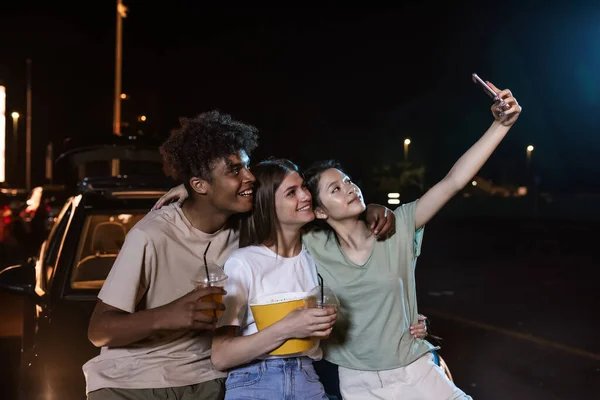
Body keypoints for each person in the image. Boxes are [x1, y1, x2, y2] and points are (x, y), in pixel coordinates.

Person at [300, 81, 521, 399]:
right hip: (357, 381)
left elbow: (453, 181)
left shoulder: (399, 226)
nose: (349, 188)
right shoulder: (312, 246)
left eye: (348, 181)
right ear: (319, 211)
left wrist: (501, 126)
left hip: (413, 369)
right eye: (335, 189)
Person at [83, 110, 260, 400]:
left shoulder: (247, 229)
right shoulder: (151, 234)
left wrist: (366, 211)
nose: (250, 177)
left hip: (208, 377)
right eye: (234, 170)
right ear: (199, 185)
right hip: (133, 380)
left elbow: (290, 186)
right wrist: (167, 315)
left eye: (247, 166)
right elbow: (99, 330)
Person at [210, 158, 336, 399]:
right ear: (268, 205)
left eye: (304, 187)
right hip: (254, 379)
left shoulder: (316, 255)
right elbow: (220, 356)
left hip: (307, 376)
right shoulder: (244, 262)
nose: (305, 196)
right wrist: (288, 327)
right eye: (291, 192)